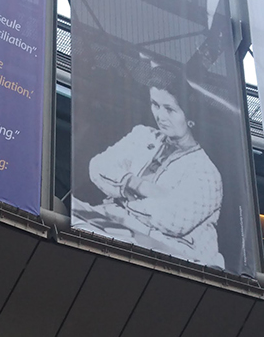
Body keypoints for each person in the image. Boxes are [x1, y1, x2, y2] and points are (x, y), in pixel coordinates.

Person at [73, 67, 225, 268]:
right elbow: (98, 166)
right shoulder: (143, 135)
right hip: (117, 231)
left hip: (180, 261)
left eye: (169, 109)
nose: (160, 116)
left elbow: (172, 220)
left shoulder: (207, 174)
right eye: (155, 105)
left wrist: (120, 200)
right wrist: (137, 185)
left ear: (190, 117)